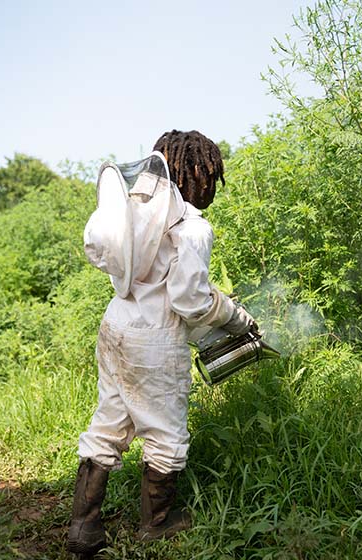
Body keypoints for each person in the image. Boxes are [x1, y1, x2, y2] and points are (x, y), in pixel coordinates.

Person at [67, 130, 256, 556]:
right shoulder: (190, 225)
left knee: (109, 423)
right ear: (196, 172)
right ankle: (156, 524)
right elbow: (190, 301)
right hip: (154, 340)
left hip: (115, 325)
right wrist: (234, 315)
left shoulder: (138, 209)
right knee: (166, 433)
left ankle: (83, 527)